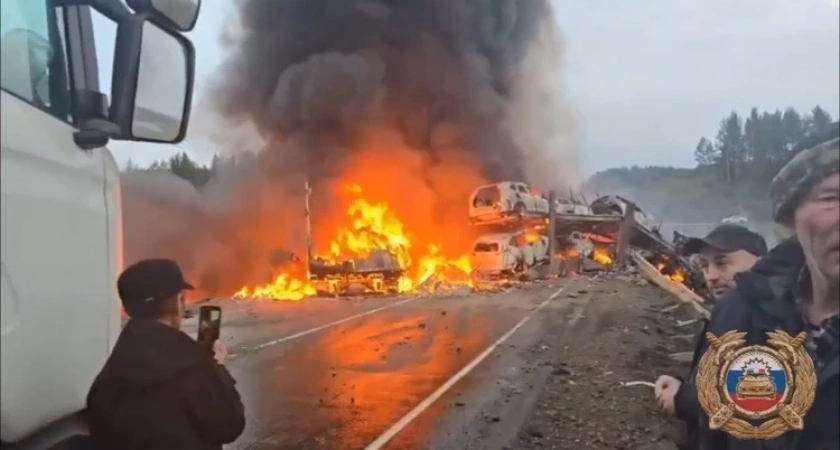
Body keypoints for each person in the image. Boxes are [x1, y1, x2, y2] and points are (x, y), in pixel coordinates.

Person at [672, 123, 838, 450]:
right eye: (833, 198)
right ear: (791, 218)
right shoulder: (739, 317)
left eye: (723, 262)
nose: (711, 276)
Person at [86, 259, 246, 450]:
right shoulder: (194, 366)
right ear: (178, 301)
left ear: (128, 308)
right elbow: (229, 426)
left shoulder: (114, 369)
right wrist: (216, 368)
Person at [654, 224, 768, 449]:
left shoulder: (762, 313)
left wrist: (684, 400)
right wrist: (685, 386)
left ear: (761, 261)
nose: (711, 276)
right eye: (705, 266)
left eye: (722, 263)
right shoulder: (734, 308)